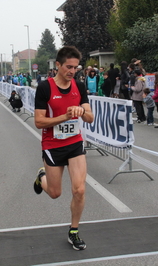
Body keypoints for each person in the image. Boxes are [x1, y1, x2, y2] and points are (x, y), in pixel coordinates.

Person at [33, 46, 94, 251]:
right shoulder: (45, 88)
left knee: (79, 189)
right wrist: (65, 116)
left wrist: (81, 112)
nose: (72, 71)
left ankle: (74, 231)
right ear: (57, 65)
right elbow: (39, 122)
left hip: (75, 143)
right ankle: (42, 177)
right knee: (54, 193)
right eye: (69, 67)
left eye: (76, 67)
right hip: (52, 145)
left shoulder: (79, 86)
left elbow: (90, 117)